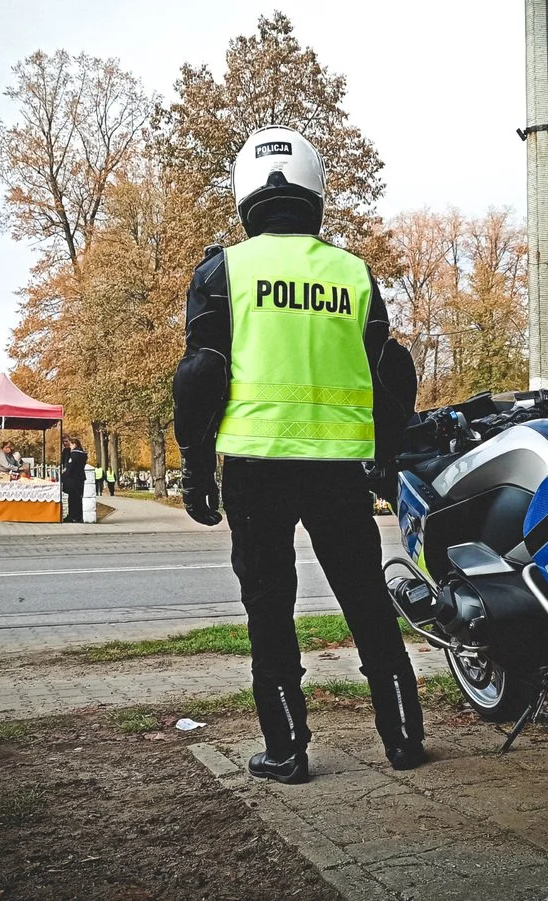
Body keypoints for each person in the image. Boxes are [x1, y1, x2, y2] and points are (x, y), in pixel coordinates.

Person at [173, 125, 424, 785]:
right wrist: (388, 460)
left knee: (270, 607)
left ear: (245, 191)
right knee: (367, 599)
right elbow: (389, 373)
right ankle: (403, 737)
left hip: (256, 470)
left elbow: (202, 373)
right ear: (313, 187)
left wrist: (196, 468)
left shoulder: (223, 270)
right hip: (339, 468)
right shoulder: (353, 273)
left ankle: (286, 750)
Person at [61, 437, 88, 523]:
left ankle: (72, 516)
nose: (70, 446)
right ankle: (79, 516)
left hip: (73, 480)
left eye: (71, 444)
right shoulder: (83, 454)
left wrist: (62, 476)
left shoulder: (74, 455)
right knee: (79, 499)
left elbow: (69, 468)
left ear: (75, 444)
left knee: (72, 499)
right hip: (80, 479)